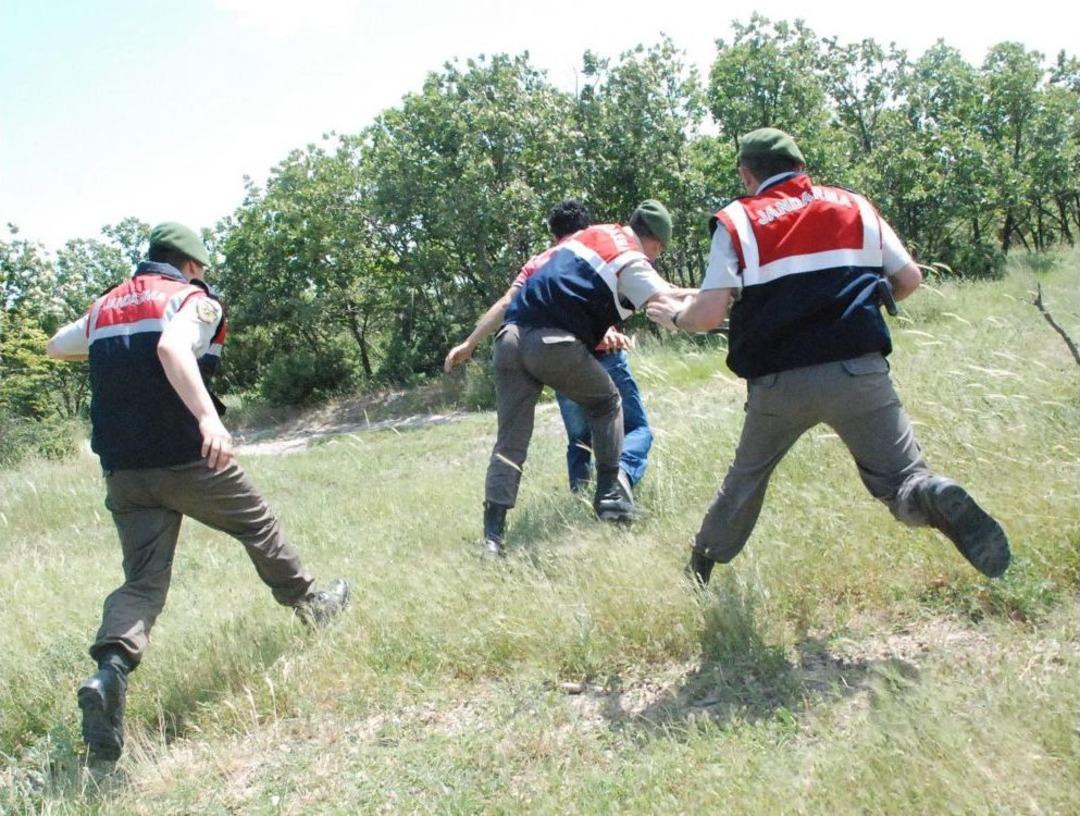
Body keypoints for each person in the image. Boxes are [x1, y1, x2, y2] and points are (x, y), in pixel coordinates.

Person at [646, 128, 1011, 586]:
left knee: (746, 479)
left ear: (746, 174)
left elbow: (710, 313)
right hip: (859, 370)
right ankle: (931, 493)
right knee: (901, 479)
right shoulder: (854, 205)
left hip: (779, 383)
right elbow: (910, 277)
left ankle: (701, 567)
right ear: (802, 168)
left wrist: (675, 316)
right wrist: (864, 302)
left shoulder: (739, 220)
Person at [46, 222, 350, 760]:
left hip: (124, 472)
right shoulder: (194, 301)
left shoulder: (103, 308)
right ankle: (310, 604)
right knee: (257, 525)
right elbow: (171, 346)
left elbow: (56, 346)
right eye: (203, 269)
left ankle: (109, 674)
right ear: (190, 265)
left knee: (141, 582)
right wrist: (209, 420)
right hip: (189, 458)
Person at [473, 199, 690, 556]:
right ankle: (608, 495)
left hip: (509, 340)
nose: (656, 256)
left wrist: (469, 343)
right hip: (552, 342)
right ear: (654, 241)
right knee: (607, 402)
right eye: (658, 249)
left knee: (510, 443)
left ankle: (492, 539)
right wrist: (721, 295)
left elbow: (517, 297)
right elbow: (664, 297)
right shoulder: (632, 258)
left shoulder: (594, 233)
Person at [444, 200, 654, 495]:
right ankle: (617, 487)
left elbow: (508, 302)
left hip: (556, 356)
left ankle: (580, 497)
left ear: (554, 234)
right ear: (587, 227)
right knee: (633, 426)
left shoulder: (539, 261)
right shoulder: (599, 247)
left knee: (579, 439)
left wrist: (470, 342)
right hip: (600, 354)